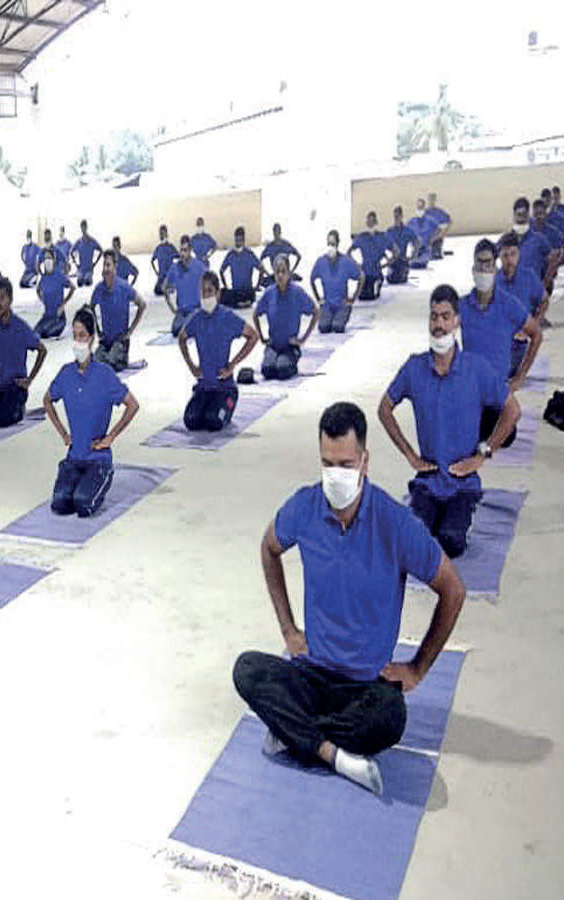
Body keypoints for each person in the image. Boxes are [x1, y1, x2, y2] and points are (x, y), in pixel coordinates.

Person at [233, 402, 465, 797]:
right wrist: (289, 629)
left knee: (390, 718)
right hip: (311, 672)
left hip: (365, 684)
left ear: (364, 461)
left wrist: (418, 668)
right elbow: (269, 548)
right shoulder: (304, 507)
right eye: (327, 464)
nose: (334, 475)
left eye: (344, 464)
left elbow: (453, 590)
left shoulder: (395, 523)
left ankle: (294, 733)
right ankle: (333, 754)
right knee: (247, 670)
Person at [378, 286, 520, 558]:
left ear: (457, 321)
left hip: (463, 480)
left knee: (451, 543)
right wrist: (410, 455)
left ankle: (458, 517)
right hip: (428, 477)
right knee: (414, 546)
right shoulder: (414, 367)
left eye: (445, 316)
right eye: (434, 317)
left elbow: (512, 410)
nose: (439, 324)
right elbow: (384, 409)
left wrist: (482, 454)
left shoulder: (476, 368)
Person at [43, 308, 140, 517]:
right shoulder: (66, 373)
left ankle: (102, 475)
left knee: (82, 504)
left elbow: (133, 405)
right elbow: (47, 400)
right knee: (60, 504)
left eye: (82, 336)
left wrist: (111, 436)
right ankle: (74, 477)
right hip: (74, 456)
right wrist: (63, 433)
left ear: (92, 339)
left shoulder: (104, 375)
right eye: (75, 336)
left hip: (98, 457)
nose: (78, 342)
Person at [458, 239, 541, 446]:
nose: (483, 269)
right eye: (479, 263)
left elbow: (536, 334)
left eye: (488, 263)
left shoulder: (508, 304)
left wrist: (520, 377)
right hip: (471, 389)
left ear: (495, 267)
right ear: (472, 267)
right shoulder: (461, 306)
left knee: (505, 437)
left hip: (497, 388)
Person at [178, 272, 260, 431]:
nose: (206, 295)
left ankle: (229, 402)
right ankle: (204, 401)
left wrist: (233, 364)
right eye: (203, 291)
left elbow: (253, 336)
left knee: (213, 421)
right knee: (191, 421)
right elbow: (181, 338)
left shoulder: (227, 317)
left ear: (218, 293)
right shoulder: (196, 318)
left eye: (210, 291)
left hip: (224, 386)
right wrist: (191, 366)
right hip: (204, 385)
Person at [0, 278, 47, 427]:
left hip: (17, 385)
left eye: (2, 298)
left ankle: (19, 408)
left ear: (10, 300)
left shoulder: (20, 327)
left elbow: (42, 350)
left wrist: (29, 380)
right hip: (1, 384)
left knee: (3, 419)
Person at [253, 255, 318, 381]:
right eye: (277, 272)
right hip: (273, 345)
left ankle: (291, 364)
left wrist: (303, 339)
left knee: (283, 370)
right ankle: (273, 359)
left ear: (289, 273)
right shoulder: (269, 293)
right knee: (267, 370)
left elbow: (315, 311)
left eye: (283, 271)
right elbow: (256, 314)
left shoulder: (297, 292)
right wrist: (262, 337)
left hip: (290, 346)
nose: (280, 275)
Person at [89, 249, 146, 371]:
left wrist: (130, 331)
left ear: (115, 267)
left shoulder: (124, 287)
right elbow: (91, 307)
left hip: (120, 342)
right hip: (106, 341)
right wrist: (98, 330)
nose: (105, 268)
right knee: (93, 364)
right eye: (104, 265)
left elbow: (142, 304)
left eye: (108, 265)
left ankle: (119, 360)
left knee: (108, 365)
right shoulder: (99, 289)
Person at [496, 233, 547, 346]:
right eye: (505, 255)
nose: (509, 259)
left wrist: (536, 323)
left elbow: (544, 300)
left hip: (527, 339)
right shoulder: (494, 283)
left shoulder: (529, 277)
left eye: (513, 254)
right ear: (499, 257)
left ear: (519, 254)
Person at [311, 230, 362, 334]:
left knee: (338, 327)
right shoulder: (321, 262)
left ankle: (342, 317)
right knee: (324, 327)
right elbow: (312, 279)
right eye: (329, 244)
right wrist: (318, 299)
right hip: (327, 304)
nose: (331, 247)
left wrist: (353, 298)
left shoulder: (346, 261)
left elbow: (361, 277)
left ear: (338, 244)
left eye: (333, 244)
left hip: (342, 304)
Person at [164, 236, 208, 336]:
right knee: (176, 330)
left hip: (195, 309)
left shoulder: (199, 267)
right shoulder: (175, 268)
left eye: (185, 250)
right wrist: (172, 308)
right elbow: (164, 287)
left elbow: (211, 281)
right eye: (181, 250)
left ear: (190, 250)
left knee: (188, 327)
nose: (182, 253)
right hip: (182, 311)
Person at [349, 212, 392, 300]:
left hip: (376, 272)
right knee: (363, 296)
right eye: (369, 221)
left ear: (376, 222)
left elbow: (396, 252)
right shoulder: (362, 237)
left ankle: (377, 285)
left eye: (372, 221)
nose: (370, 223)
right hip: (365, 272)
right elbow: (349, 252)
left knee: (372, 295)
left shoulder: (382, 237)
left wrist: (386, 264)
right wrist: (356, 264)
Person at [33, 249, 75, 340]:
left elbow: (72, 287)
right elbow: (38, 290)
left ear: (54, 260)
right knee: (35, 333)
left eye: (49, 258)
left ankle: (63, 328)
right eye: (45, 258)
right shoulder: (44, 278)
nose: (47, 260)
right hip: (47, 316)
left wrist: (63, 304)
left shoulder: (59, 275)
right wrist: (42, 300)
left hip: (58, 317)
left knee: (47, 334)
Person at [218, 226, 262, 308]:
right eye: (236, 240)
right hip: (236, 291)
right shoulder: (231, 255)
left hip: (248, 291)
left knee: (246, 296)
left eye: (240, 240)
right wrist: (226, 286)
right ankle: (241, 303)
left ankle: (243, 302)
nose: (238, 243)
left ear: (243, 241)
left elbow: (261, 269)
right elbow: (221, 270)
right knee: (222, 294)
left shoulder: (249, 254)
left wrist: (256, 286)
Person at [385, 205, 419, 285]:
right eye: (395, 216)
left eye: (398, 216)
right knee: (391, 279)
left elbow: (416, 242)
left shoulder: (407, 230)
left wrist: (413, 255)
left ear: (402, 216)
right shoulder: (390, 231)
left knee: (400, 279)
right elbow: (382, 246)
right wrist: (387, 258)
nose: (396, 218)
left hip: (403, 260)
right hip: (393, 260)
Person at [71, 219, 102, 287]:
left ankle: (88, 278)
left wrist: (95, 263)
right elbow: (71, 252)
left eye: (84, 227)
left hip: (89, 269)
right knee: (79, 283)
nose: (83, 229)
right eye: (82, 227)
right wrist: (76, 264)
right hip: (81, 269)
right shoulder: (79, 242)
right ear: (80, 228)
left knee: (88, 282)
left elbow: (101, 250)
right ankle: (79, 275)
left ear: (86, 227)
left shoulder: (92, 241)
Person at [151, 225, 179, 297]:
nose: (162, 235)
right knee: (157, 290)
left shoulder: (171, 247)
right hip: (161, 276)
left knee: (168, 287)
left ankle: (171, 287)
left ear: (167, 234)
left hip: (169, 276)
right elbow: (152, 261)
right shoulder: (158, 248)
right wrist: (156, 271)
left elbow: (179, 257)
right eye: (160, 234)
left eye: (163, 233)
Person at [406, 198, 434, 269]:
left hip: (425, 249)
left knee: (419, 263)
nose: (419, 209)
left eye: (421, 207)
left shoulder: (429, 221)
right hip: (415, 250)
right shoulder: (411, 221)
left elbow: (439, 230)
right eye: (418, 207)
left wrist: (432, 240)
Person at [424, 192, 451, 259]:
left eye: (432, 199)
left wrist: (441, 234)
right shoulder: (425, 212)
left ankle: (436, 251)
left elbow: (449, 222)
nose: (431, 201)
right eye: (430, 199)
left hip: (437, 238)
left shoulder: (439, 212)